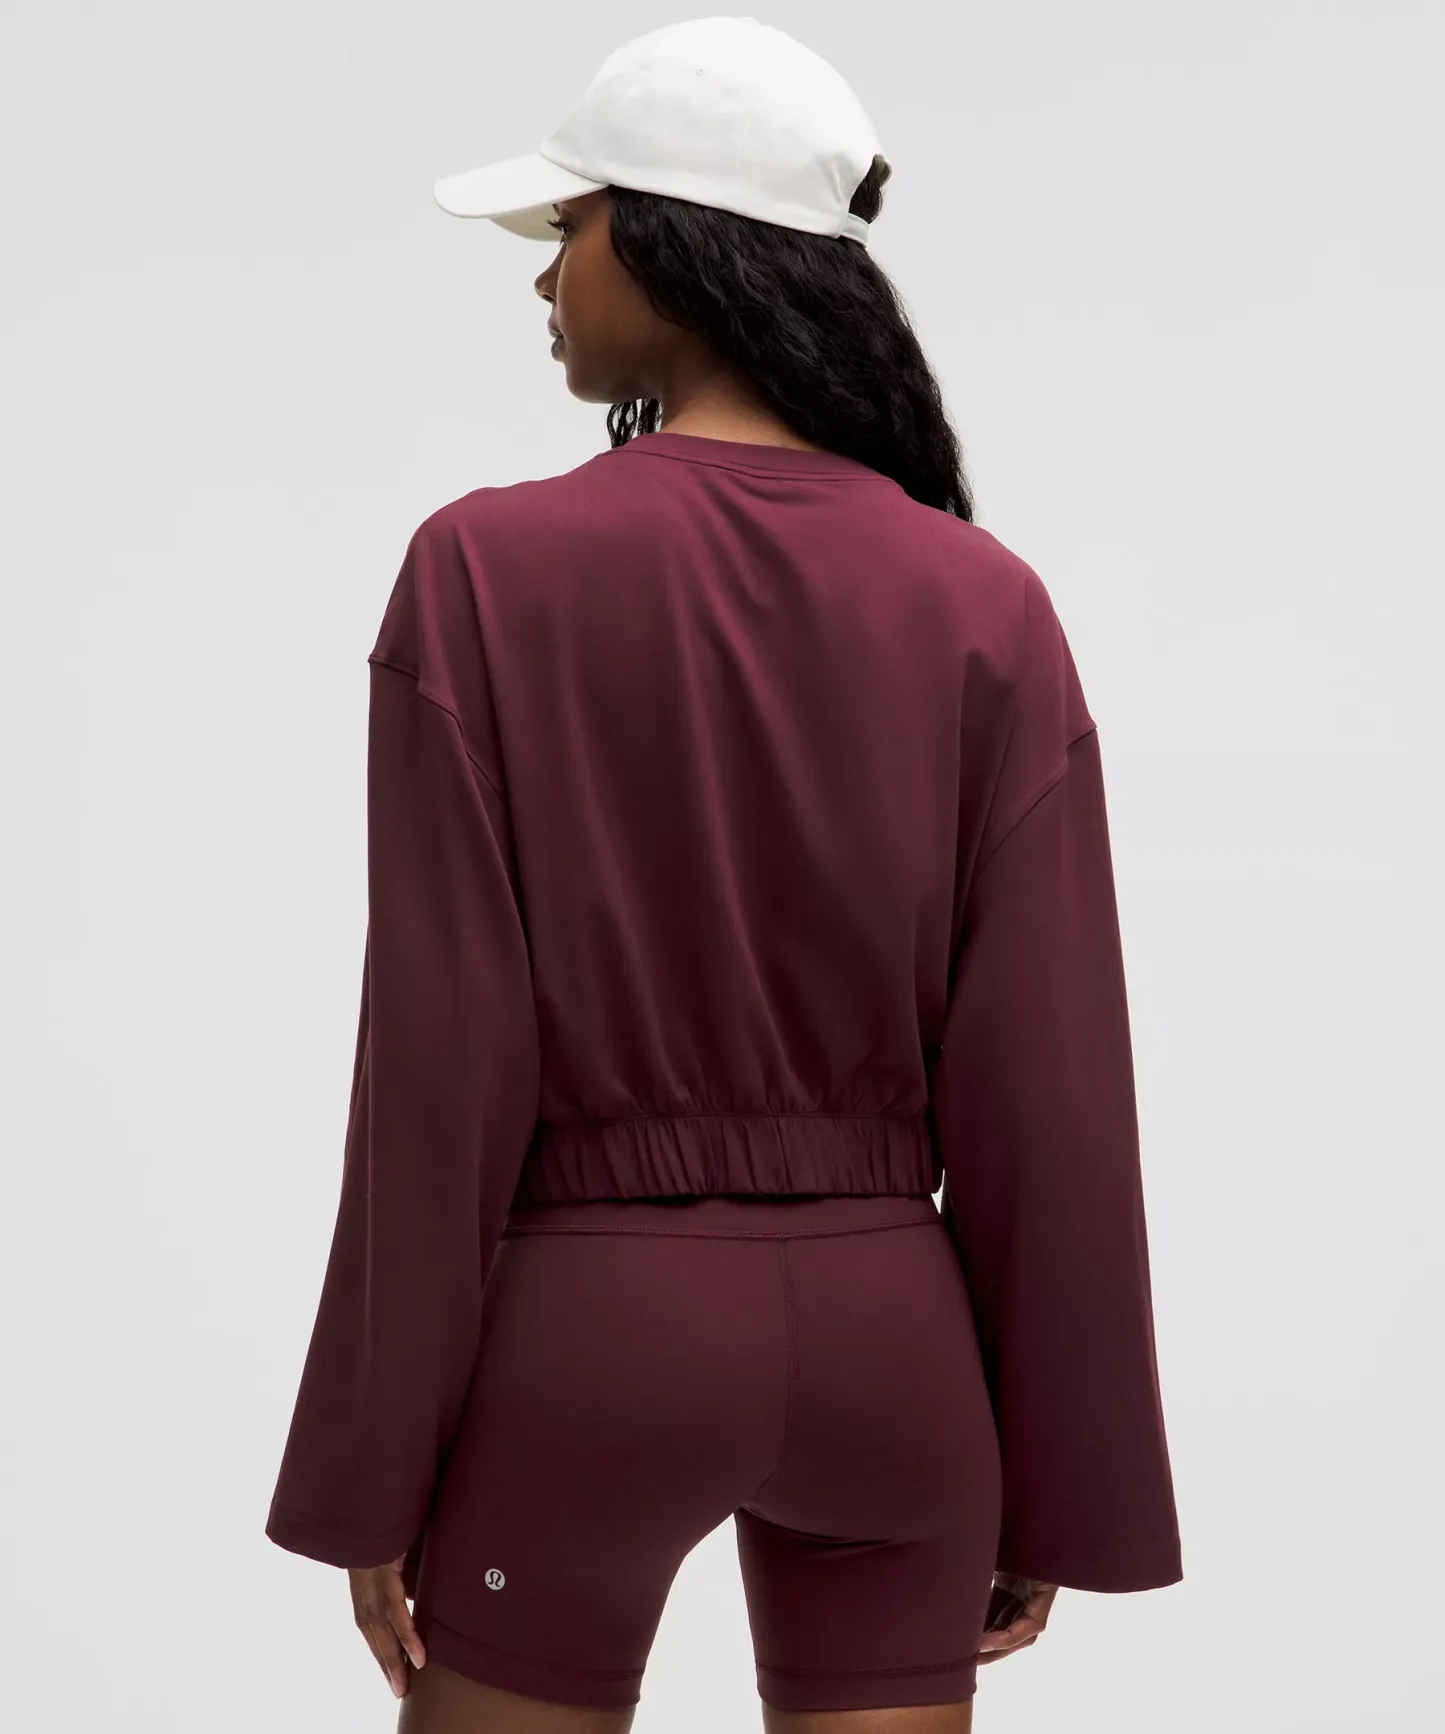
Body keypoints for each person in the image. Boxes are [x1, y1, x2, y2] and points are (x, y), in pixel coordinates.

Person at [263, 17, 1183, 1734]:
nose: (543, 276)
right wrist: (1058, 1477)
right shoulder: (986, 600)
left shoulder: (482, 570)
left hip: (590, 1341)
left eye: (569, 226)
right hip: (898, 1349)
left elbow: (439, 1063)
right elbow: (1048, 1080)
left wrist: (373, 1466)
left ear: (676, 242)